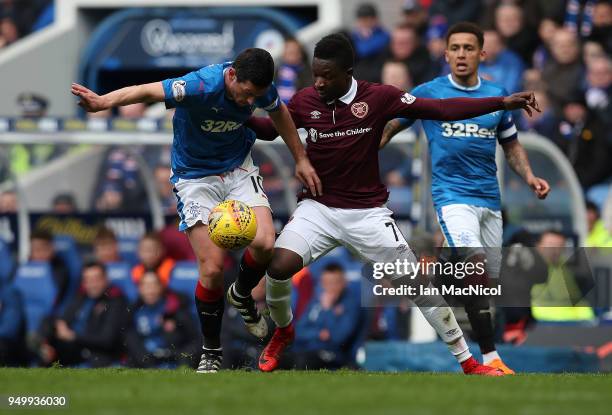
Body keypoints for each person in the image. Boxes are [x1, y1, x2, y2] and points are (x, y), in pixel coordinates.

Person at [246, 33, 540, 375]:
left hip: (367, 213)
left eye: (327, 76)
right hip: (318, 209)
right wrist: (232, 111)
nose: (320, 82)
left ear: (348, 73)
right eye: (316, 75)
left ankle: (469, 362)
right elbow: (269, 131)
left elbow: (442, 109)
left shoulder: (379, 97)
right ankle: (283, 331)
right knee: (277, 268)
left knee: (418, 286)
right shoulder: (304, 100)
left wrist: (500, 103)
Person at [71, 47, 321, 373]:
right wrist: (104, 102)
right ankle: (211, 350)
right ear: (232, 76)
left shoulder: (260, 88)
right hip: (194, 178)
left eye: (255, 97)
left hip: (237, 170)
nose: (249, 103)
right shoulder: (199, 85)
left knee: (265, 244)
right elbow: (147, 89)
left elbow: (280, 115)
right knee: (213, 268)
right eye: (246, 95)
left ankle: (242, 294)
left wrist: (301, 159)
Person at [380, 22, 551, 375]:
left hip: (489, 200)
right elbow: (393, 125)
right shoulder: (428, 92)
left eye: (468, 48)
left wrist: (530, 176)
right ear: (445, 54)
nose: (461, 54)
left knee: (484, 281)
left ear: (481, 54)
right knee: (474, 270)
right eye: (455, 48)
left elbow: (512, 145)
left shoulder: (497, 96)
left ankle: (446, 295)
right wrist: (363, 148)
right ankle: (489, 358)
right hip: (451, 197)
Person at [38, 261, 128, 367]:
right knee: (47, 322)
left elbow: (107, 339)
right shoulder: (81, 297)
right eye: (88, 280)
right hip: (73, 349)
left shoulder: (115, 300)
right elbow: (64, 319)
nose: (92, 285)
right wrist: (55, 329)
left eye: (96, 280)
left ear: (106, 279)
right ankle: (43, 347)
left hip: (97, 354)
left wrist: (74, 336)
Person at [125, 271, 200, 368]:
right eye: (146, 285)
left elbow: (194, 340)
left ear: (161, 287)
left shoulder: (176, 310)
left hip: (174, 362)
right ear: (140, 289)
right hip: (145, 363)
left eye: (154, 285)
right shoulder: (133, 312)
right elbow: (131, 341)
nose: (150, 290)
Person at [293, 263, 361, 369]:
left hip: (334, 356)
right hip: (305, 350)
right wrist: (318, 334)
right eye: (326, 283)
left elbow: (338, 338)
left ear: (344, 283)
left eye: (334, 283)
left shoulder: (350, 305)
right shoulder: (316, 301)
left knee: (302, 361)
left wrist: (327, 310)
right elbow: (298, 331)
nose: (330, 287)